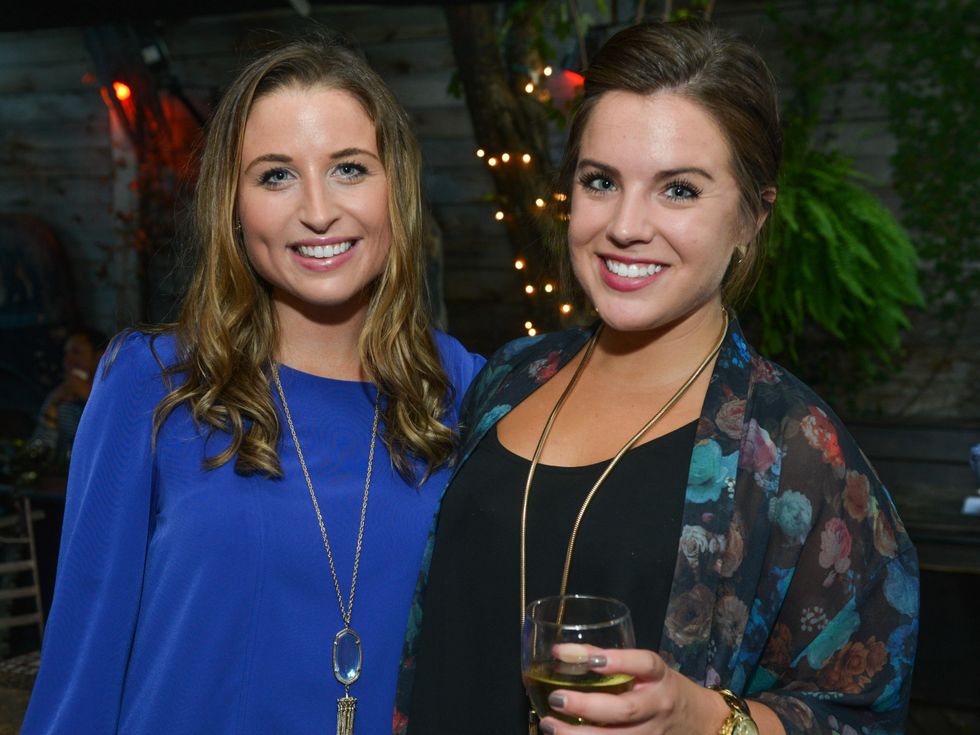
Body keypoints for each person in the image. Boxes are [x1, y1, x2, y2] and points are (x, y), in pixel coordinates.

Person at [399, 21, 918, 735]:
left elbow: (862, 720)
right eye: (601, 181)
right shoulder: (513, 377)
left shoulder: (798, 453)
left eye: (678, 189)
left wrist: (704, 718)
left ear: (751, 217)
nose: (626, 225)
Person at [23, 33, 484, 734]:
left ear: (398, 186)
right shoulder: (152, 385)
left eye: (350, 168)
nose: (318, 209)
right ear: (232, 208)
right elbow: (80, 672)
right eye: (275, 175)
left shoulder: (465, 387)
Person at [28, 326, 108, 469]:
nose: (68, 361)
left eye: (76, 353)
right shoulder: (61, 399)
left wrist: (88, 396)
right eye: (66, 353)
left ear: (100, 357)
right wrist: (51, 409)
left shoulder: (114, 398)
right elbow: (37, 456)